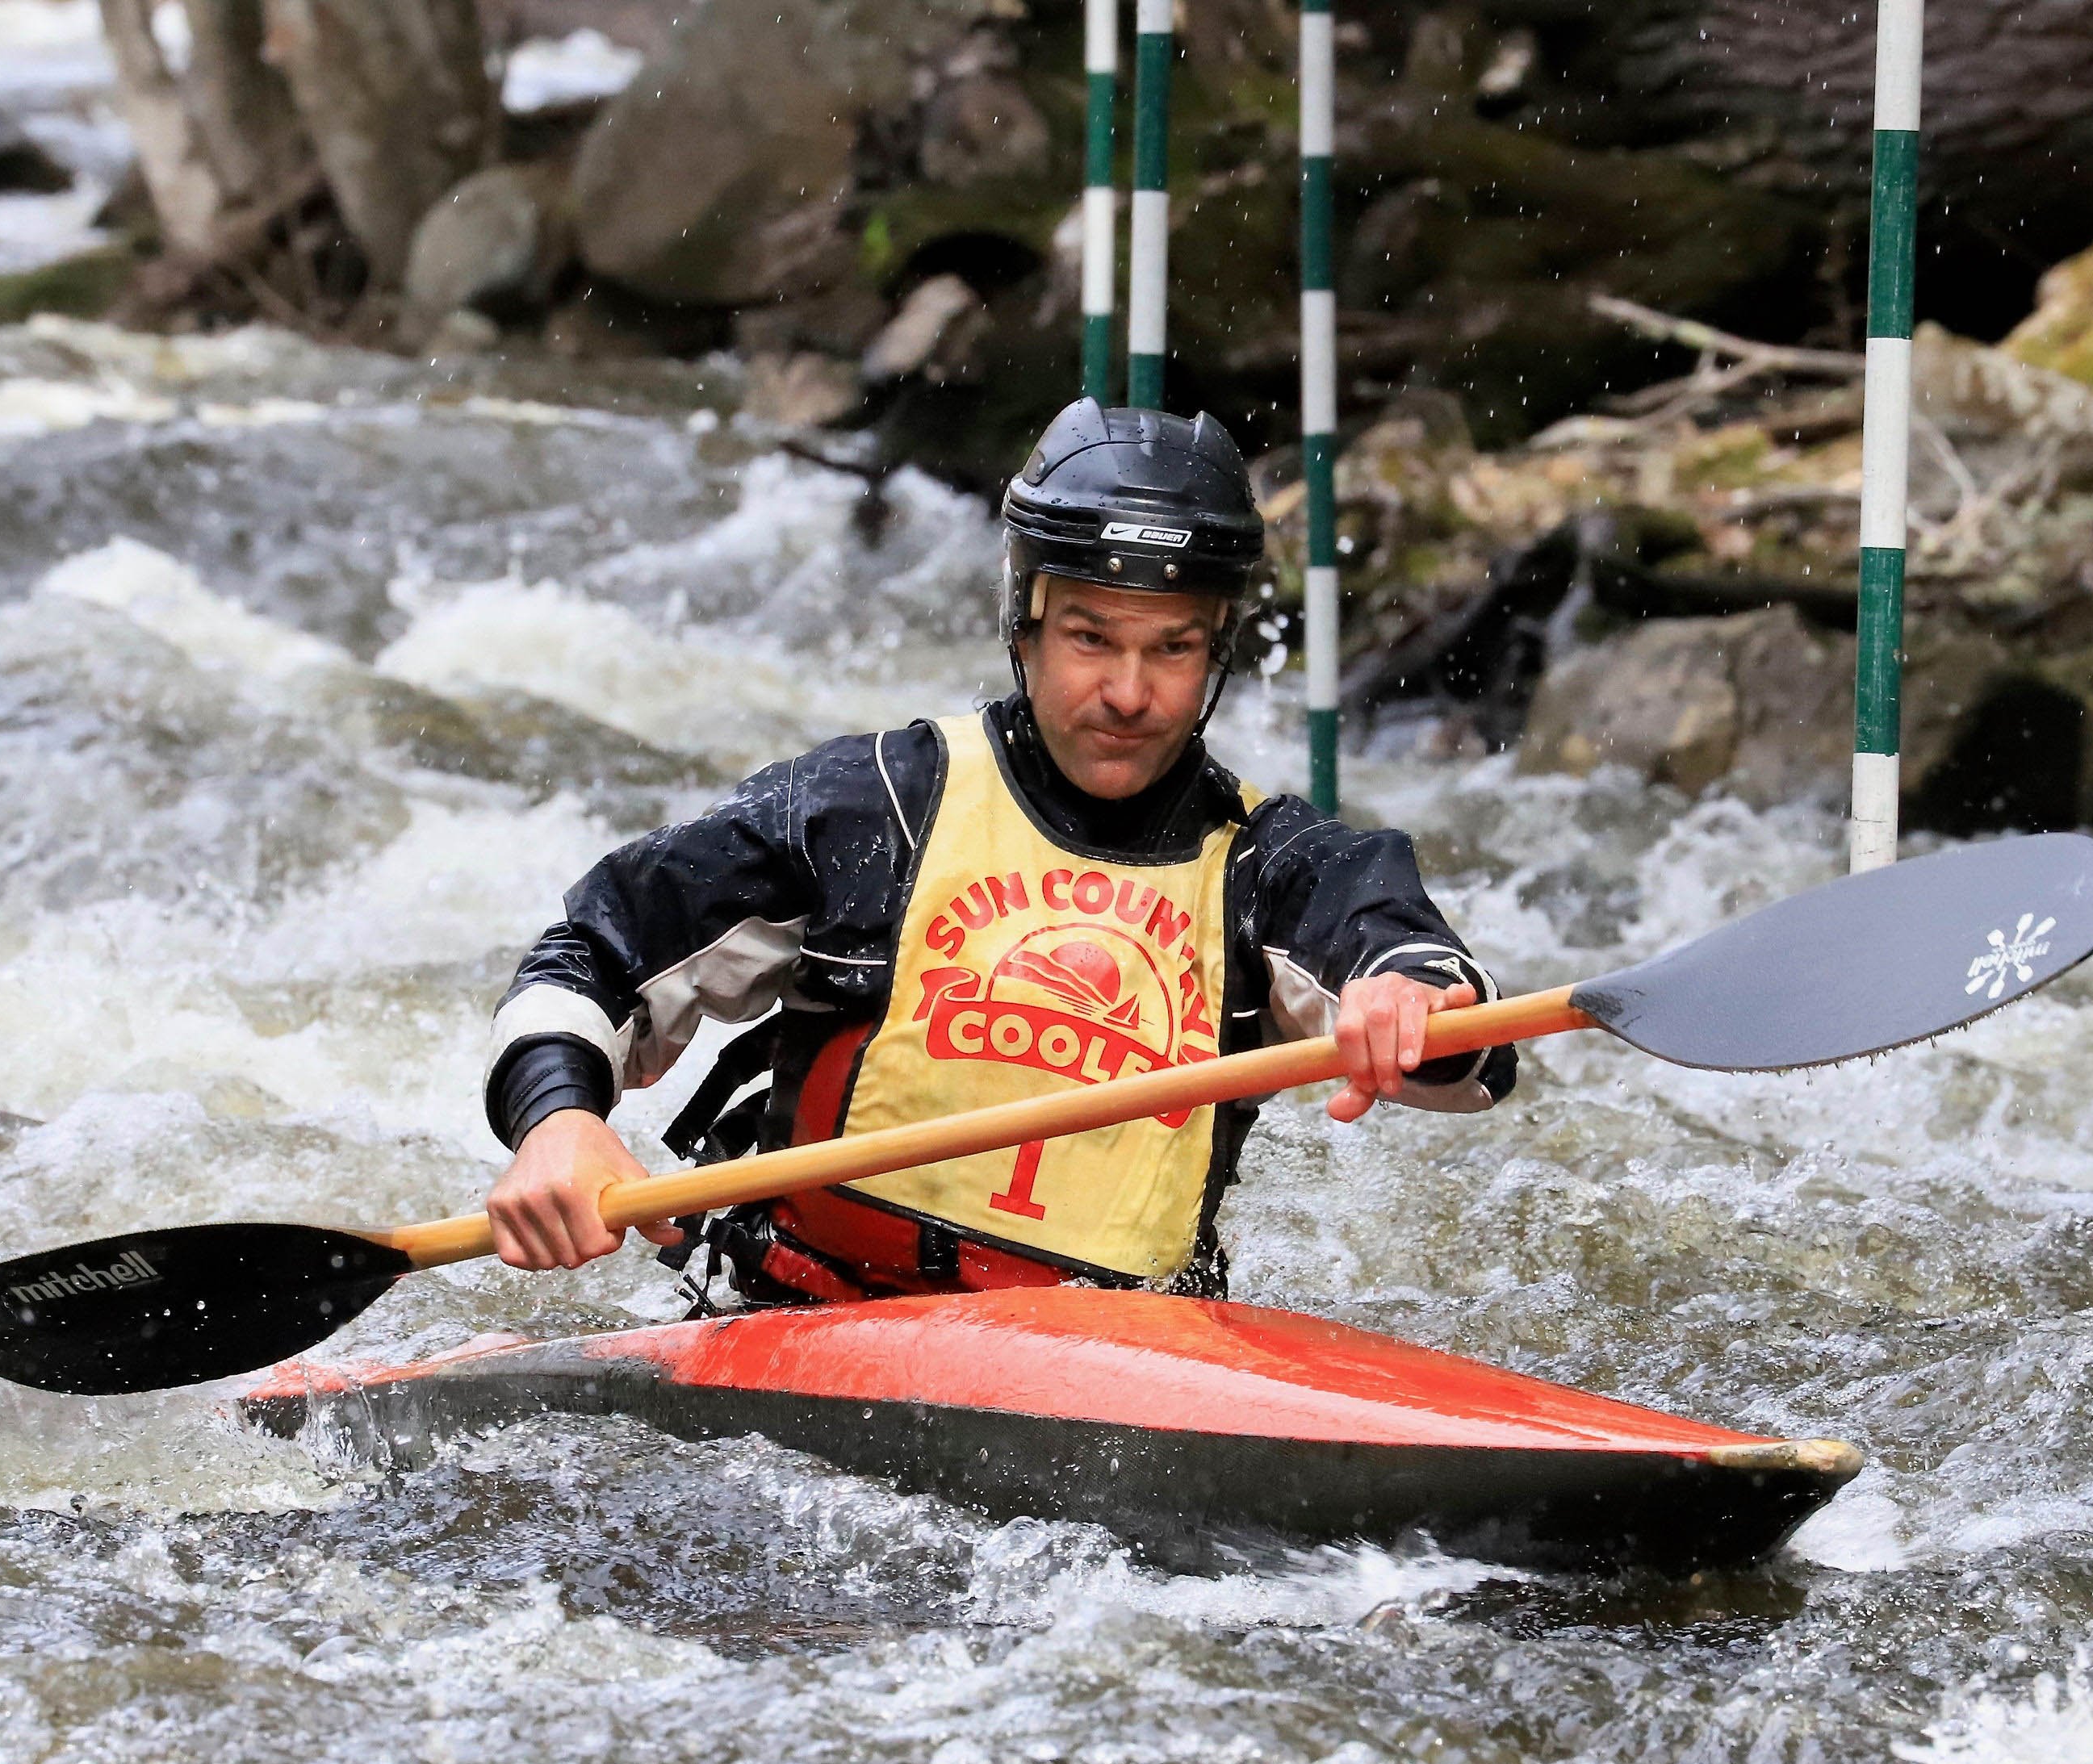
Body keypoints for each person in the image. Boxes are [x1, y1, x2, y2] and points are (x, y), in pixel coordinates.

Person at [482, 398, 1516, 1304]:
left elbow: (1452, 1031)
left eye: (1173, 648)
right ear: (1022, 625)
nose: (1128, 692)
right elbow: (592, 950)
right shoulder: (872, 805)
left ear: (1218, 656)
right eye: (1091, 637)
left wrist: (1412, 1003)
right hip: (805, 1320)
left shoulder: (1269, 866)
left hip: (1117, 1370)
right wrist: (557, 1122)